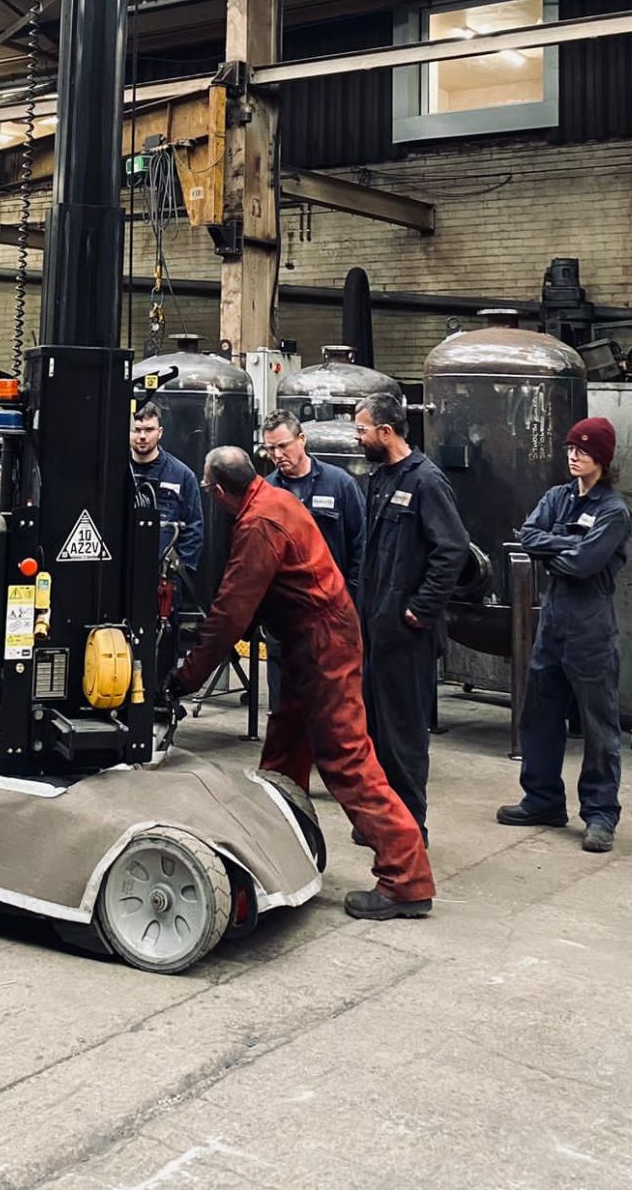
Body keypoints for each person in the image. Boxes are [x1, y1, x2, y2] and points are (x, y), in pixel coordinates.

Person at [173, 446, 435, 920]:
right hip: (307, 640)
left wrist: (185, 676)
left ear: (216, 491)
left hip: (321, 643)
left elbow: (233, 608)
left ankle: (406, 878)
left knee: (345, 757)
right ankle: (280, 851)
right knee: (284, 751)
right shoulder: (271, 499)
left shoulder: (259, 523)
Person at [497, 416, 632, 853]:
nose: (574, 456)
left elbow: (583, 563)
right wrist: (562, 544)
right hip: (552, 619)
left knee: (597, 723)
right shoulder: (557, 497)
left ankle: (600, 814)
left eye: (584, 450)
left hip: (591, 624)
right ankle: (542, 800)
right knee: (540, 713)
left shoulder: (614, 511)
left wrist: (551, 548)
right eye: (571, 448)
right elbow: (527, 536)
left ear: (603, 459)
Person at [353, 391, 470, 843]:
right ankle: (385, 821)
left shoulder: (426, 481)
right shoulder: (380, 479)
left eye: (362, 431)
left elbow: (452, 548)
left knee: (404, 737)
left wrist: (420, 609)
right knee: (377, 733)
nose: (357, 438)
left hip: (407, 635)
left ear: (386, 432)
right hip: (377, 632)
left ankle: (409, 830)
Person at [261, 409, 364, 600]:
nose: (277, 454)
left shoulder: (340, 484)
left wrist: (351, 595)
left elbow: (360, 544)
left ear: (301, 439)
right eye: (270, 448)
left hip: (333, 600)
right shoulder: (266, 491)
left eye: (284, 446)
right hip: (286, 605)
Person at [130, 402, 205, 578]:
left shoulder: (182, 476)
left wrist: (177, 574)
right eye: (136, 429)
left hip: (164, 580)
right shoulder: (111, 471)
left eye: (149, 430)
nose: (142, 436)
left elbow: (193, 529)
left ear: (160, 432)